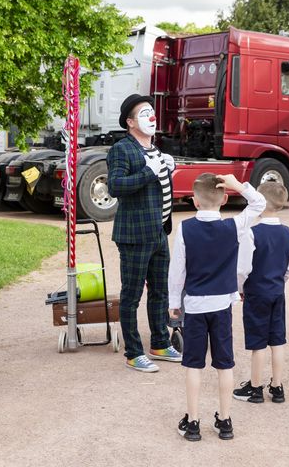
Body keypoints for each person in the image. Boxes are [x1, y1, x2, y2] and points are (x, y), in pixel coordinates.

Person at [168, 173, 266, 442]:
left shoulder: (186, 228)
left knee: (194, 365)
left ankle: (193, 422)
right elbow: (259, 203)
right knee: (224, 365)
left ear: (194, 201)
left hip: (196, 305)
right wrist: (238, 185)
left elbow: (177, 270)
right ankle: (224, 421)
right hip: (223, 305)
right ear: (224, 199)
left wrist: (174, 302)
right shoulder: (233, 226)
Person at [106, 94, 181, 372]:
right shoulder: (122, 149)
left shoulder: (156, 150)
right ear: (130, 122)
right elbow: (115, 186)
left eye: (152, 112)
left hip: (159, 232)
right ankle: (133, 352)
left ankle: (160, 343)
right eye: (144, 113)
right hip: (135, 236)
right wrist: (149, 172)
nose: (151, 117)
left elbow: (155, 190)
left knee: (160, 292)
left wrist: (167, 173)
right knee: (132, 295)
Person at [233, 182, 289, 404]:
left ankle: (256, 387)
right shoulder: (287, 232)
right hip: (277, 291)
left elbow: (243, 269)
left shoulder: (252, 233)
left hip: (257, 292)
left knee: (257, 341)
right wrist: (279, 281)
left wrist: (240, 289)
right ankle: (277, 387)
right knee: (277, 339)